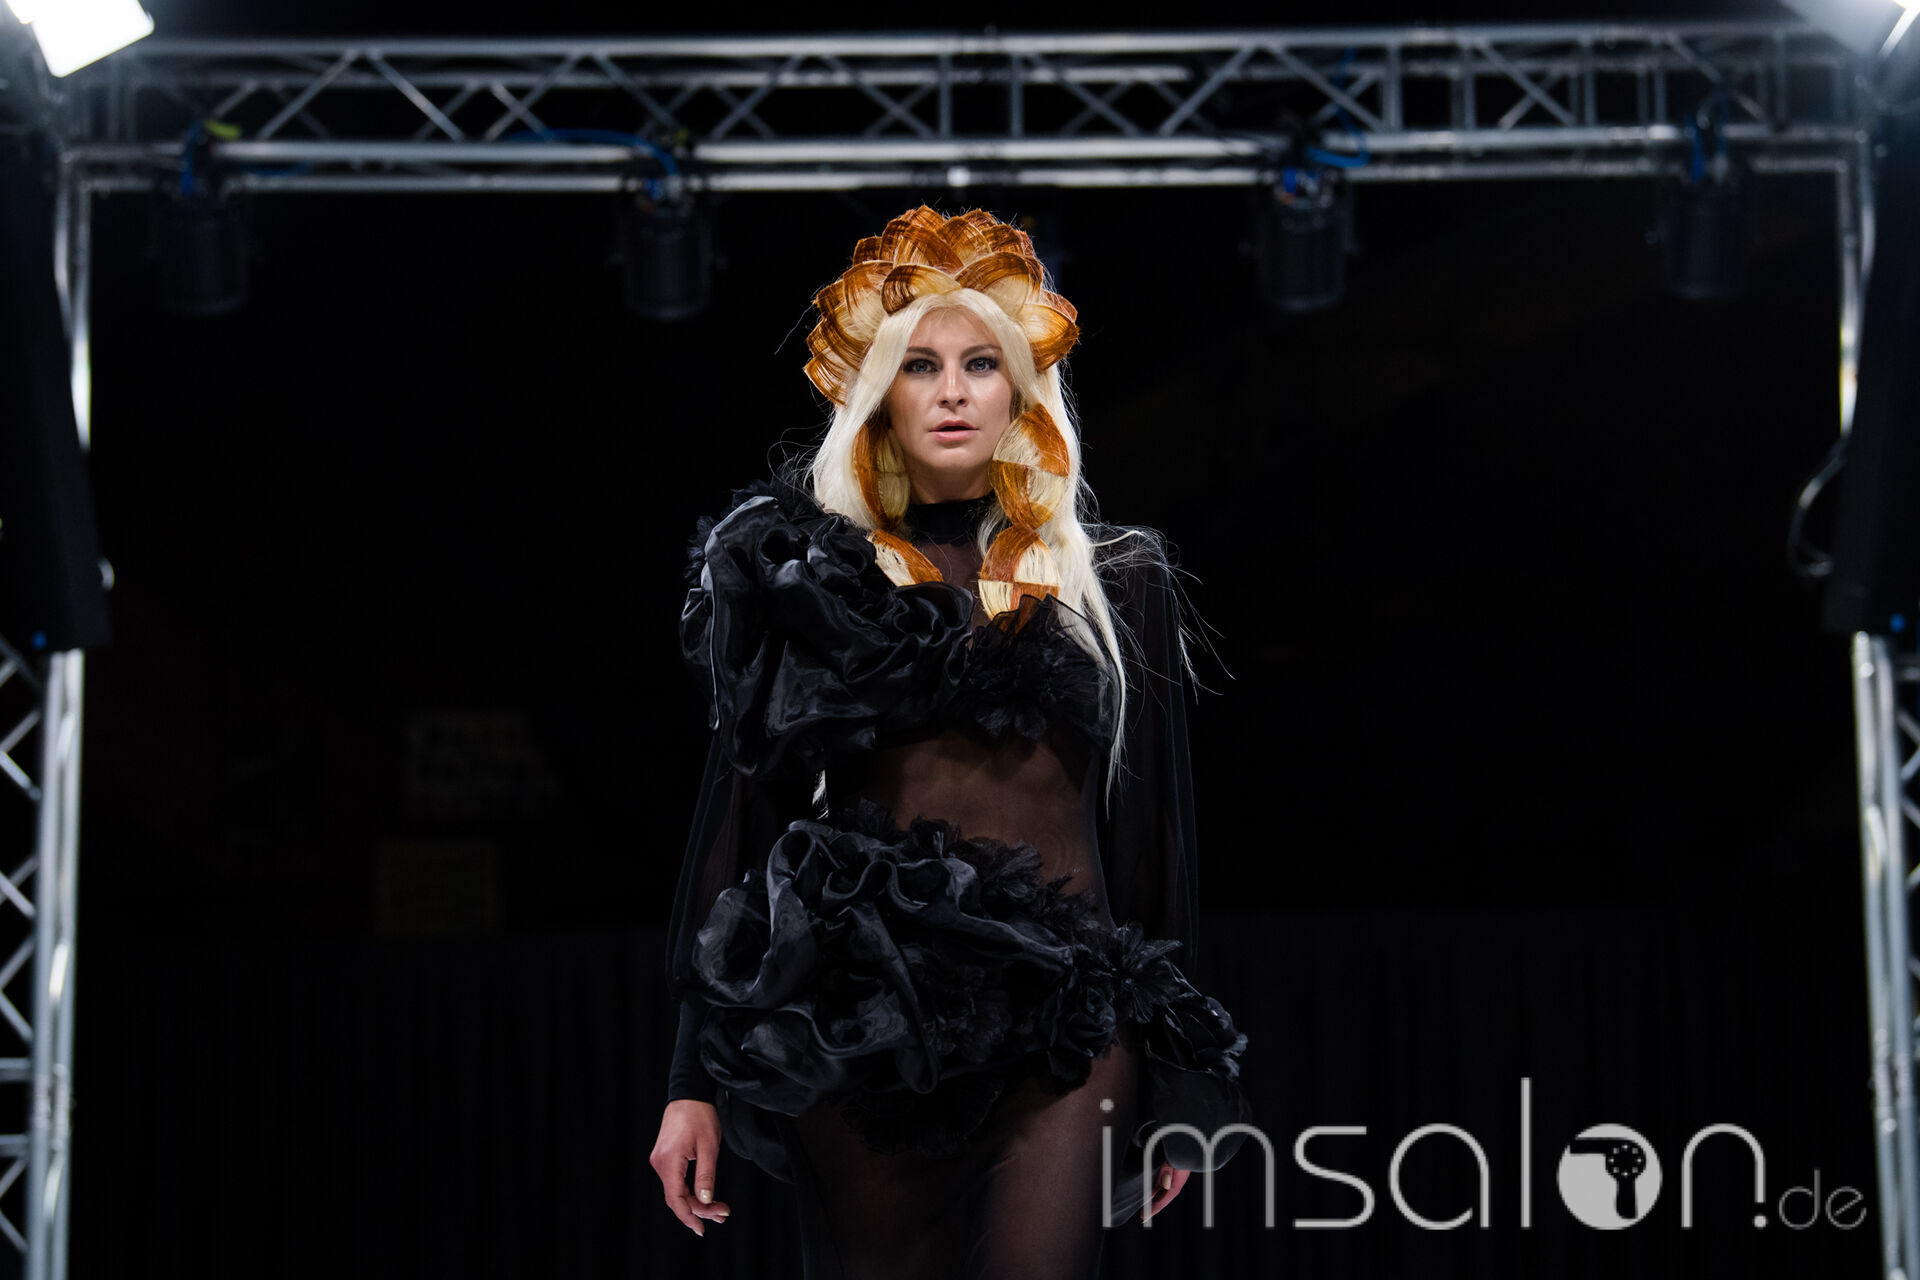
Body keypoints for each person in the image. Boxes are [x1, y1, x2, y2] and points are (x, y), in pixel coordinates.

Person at [650, 204, 1252, 1279]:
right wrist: (689, 1079)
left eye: (982, 363)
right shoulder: (809, 581)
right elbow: (740, 822)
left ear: (1021, 389)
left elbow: (1152, 838)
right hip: (861, 1016)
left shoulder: (1116, 579)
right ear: (879, 390)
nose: (954, 390)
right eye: (920, 365)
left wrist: (1176, 1069)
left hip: (1067, 1017)